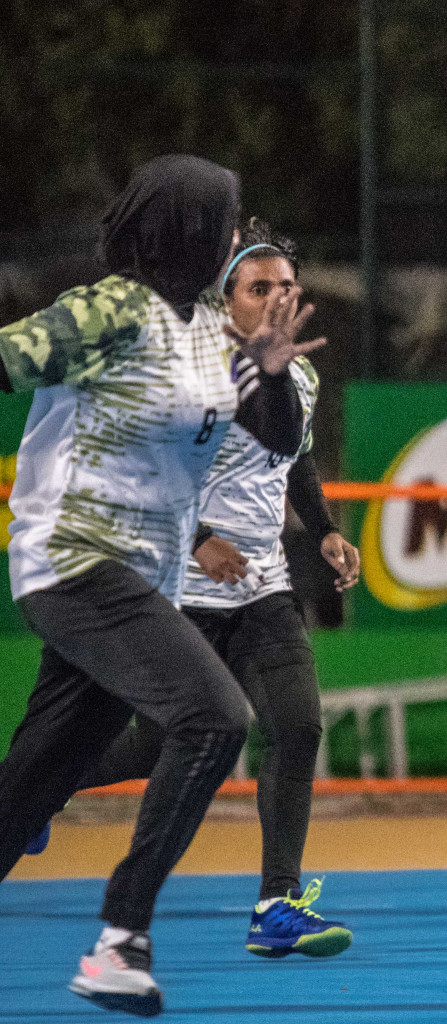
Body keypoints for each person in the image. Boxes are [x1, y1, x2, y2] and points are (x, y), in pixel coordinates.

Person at [0, 155, 322, 1017]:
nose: (232, 232)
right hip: (73, 563)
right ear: (187, 226)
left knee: (29, 787)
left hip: (139, 580)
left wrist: (273, 368)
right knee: (217, 717)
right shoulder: (112, 307)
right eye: (225, 215)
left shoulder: (204, 334)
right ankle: (121, 941)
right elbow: (9, 360)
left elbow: (280, 439)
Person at [70, 219, 359, 960]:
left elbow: (296, 457)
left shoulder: (298, 372)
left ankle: (275, 904)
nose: (276, 297)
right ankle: (37, 788)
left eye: (286, 286)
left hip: (263, 585)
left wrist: (323, 528)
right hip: (182, 586)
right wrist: (199, 537)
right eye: (259, 286)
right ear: (225, 297)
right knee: (152, 747)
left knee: (296, 727)